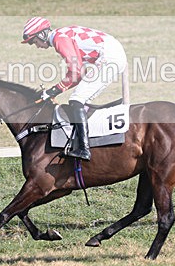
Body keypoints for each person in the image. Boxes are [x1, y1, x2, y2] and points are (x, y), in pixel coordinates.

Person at [21, 17, 127, 161]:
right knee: (79, 98)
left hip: (110, 56)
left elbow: (76, 72)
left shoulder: (59, 39)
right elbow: (79, 74)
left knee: (77, 99)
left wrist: (54, 91)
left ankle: (84, 149)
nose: (36, 46)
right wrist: (55, 90)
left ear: (41, 35)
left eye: (34, 41)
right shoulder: (61, 35)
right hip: (111, 53)